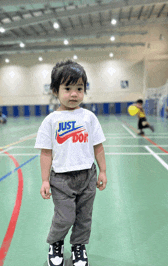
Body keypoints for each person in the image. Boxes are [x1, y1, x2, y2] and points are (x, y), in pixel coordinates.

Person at [34, 60, 107, 266]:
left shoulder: (89, 117)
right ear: (55, 90)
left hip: (87, 176)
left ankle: (78, 246)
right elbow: (46, 153)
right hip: (61, 179)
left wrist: (102, 171)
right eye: (67, 88)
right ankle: (55, 242)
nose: (74, 94)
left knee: (84, 217)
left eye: (79, 88)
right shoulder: (50, 121)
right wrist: (44, 180)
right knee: (65, 217)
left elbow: (98, 146)